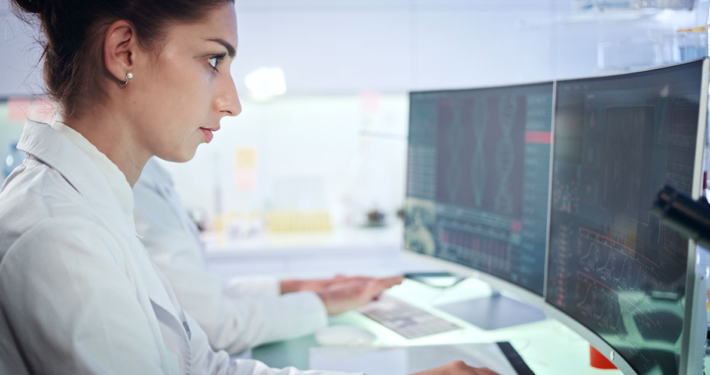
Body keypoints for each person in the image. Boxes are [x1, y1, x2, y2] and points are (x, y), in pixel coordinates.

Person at [0, 0, 498, 374]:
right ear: (124, 51)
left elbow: (202, 364)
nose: (232, 102)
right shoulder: (61, 238)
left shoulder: (95, 208)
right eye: (213, 60)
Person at [135, 157, 403, 355]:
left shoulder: (148, 175)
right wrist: (326, 300)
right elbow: (218, 327)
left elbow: (202, 298)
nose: (231, 105)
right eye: (210, 75)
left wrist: (297, 287)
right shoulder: (137, 191)